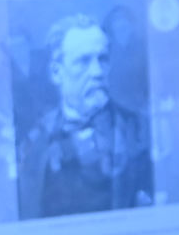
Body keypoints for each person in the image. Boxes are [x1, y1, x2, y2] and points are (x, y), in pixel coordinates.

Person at [18, 12, 152, 217]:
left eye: (103, 59)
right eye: (83, 61)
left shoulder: (140, 128)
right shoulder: (35, 141)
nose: (98, 72)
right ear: (56, 72)